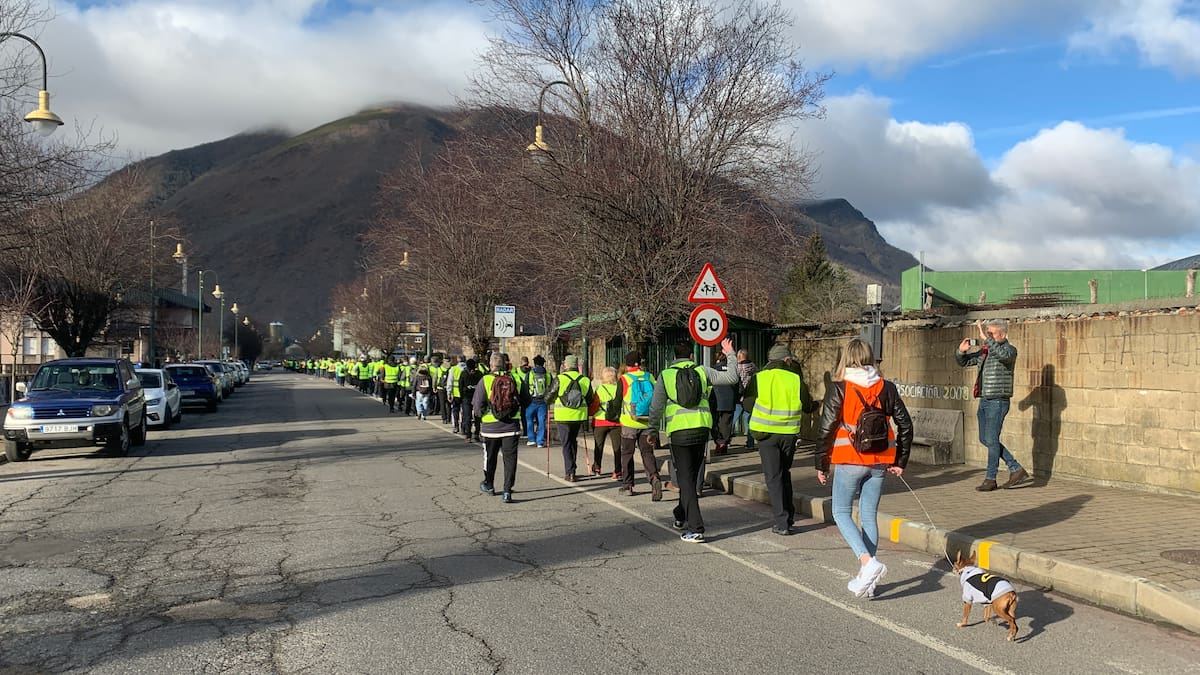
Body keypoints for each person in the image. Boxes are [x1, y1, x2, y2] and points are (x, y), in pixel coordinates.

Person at [816, 338, 913, 598]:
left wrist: (821, 464)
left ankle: (867, 564)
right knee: (869, 516)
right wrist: (900, 461)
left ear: (846, 358)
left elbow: (826, 428)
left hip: (849, 458)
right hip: (881, 459)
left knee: (840, 512)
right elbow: (905, 425)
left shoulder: (839, 387)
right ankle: (868, 581)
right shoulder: (887, 387)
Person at [648, 338, 738, 543]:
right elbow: (732, 377)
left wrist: (652, 431)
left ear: (673, 357)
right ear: (691, 356)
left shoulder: (666, 375)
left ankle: (696, 527)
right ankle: (680, 514)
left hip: (679, 433)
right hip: (701, 430)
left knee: (685, 480)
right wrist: (730, 353)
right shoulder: (702, 371)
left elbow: (656, 407)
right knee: (692, 476)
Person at [741, 344, 818, 535]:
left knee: (773, 477)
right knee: (785, 473)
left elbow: (748, 405)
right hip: (788, 434)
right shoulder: (795, 378)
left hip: (766, 435)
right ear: (786, 360)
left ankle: (782, 522)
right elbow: (808, 406)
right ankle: (788, 517)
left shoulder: (759, 377)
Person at [957, 318, 1029, 491]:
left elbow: (1002, 356)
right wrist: (961, 351)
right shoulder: (986, 351)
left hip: (998, 400)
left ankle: (991, 479)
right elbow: (965, 362)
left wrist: (986, 338)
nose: (986, 336)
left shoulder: (1010, 350)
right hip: (984, 399)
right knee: (986, 439)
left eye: (991, 333)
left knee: (991, 439)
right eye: (987, 332)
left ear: (1003, 334)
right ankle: (1016, 468)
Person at [474, 353, 521, 503]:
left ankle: (489, 484)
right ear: (505, 364)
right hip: (511, 427)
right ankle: (507, 491)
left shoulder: (485, 380)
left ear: (490, 365)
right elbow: (526, 400)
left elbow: (477, 407)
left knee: (490, 457)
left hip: (490, 428)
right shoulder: (515, 379)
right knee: (510, 460)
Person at [617, 350, 662, 498]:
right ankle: (654, 477)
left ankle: (628, 485)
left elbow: (618, 401)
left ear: (627, 363)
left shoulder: (624, 379)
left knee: (627, 454)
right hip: (647, 422)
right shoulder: (649, 377)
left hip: (630, 422)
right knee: (647, 453)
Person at [544, 354, 593, 481]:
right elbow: (590, 399)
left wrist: (550, 401)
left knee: (566, 443)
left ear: (565, 365)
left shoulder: (560, 379)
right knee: (573, 441)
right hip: (578, 416)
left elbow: (548, 397)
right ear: (576, 366)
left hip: (563, 416)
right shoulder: (585, 380)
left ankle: (570, 471)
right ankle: (573, 468)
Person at [590, 366, 621, 478]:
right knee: (617, 447)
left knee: (599, 446)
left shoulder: (600, 389)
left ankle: (597, 468)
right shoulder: (619, 388)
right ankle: (617, 471)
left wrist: (590, 413)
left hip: (600, 421)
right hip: (616, 422)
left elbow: (594, 405)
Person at [710, 351, 738, 455]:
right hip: (729, 401)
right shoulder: (731, 370)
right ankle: (723, 444)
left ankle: (719, 442)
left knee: (715, 423)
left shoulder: (713, 369)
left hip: (716, 400)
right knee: (726, 423)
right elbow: (737, 384)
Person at [524, 355, 551, 448]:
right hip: (543, 402)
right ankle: (540, 441)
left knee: (529, 419)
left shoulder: (530, 373)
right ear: (543, 363)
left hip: (532, 401)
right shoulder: (548, 374)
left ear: (535, 363)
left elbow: (525, 387)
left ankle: (531, 439)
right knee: (541, 421)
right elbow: (551, 389)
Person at [734, 349, 757, 448]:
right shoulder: (753, 366)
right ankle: (750, 442)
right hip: (751, 396)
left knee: (733, 418)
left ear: (739, 356)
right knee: (748, 419)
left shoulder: (738, 368)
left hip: (740, 396)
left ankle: (725, 441)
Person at [459, 358, 483, 442]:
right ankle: (476, 434)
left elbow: (460, 386)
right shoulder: (479, 374)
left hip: (466, 397)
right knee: (477, 416)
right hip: (477, 398)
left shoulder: (464, 373)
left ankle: (468, 435)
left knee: (467, 417)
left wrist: (461, 397)